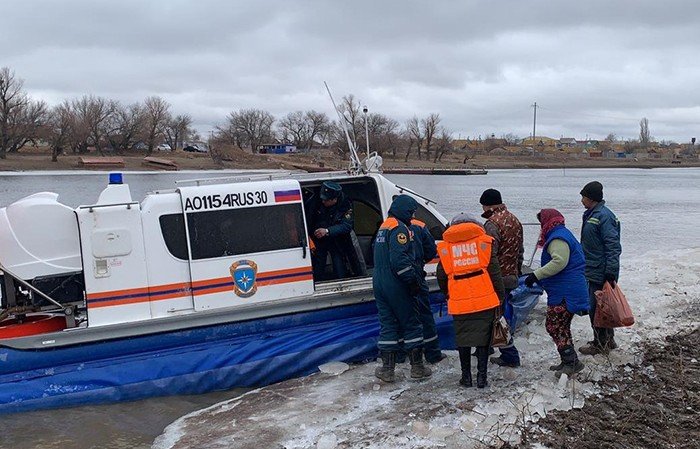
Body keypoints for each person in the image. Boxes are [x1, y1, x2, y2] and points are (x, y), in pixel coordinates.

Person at [436, 213, 505, 388]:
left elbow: (441, 276)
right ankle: (482, 378)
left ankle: (466, 377)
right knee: (483, 339)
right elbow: (495, 274)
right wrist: (500, 296)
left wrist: (448, 293)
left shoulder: (446, 248)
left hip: (459, 300)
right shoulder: (484, 243)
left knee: (463, 339)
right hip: (485, 299)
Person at [373, 195, 431, 382]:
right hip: (396, 282)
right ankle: (418, 368)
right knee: (411, 322)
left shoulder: (383, 227)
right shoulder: (400, 229)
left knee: (388, 323)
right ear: (406, 211)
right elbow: (399, 260)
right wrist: (412, 281)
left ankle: (387, 369)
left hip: (379, 282)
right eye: (412, 213)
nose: (412, 216)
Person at [524, 209, 589, 375]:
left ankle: (571, 362)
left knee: (554, 326)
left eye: (541, 222)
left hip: (565, 292)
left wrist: (535, 275)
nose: (541, 226)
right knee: (562, 326)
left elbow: (559, 262)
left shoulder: (557, 238)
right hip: (569, 289)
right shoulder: (561, 233)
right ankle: (569, 360)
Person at [480, 188, 524, 368]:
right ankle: (489, 346)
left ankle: (510, 355)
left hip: (497, 279)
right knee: (501, 313)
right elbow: (520, 250)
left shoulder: (492, 224)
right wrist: (517, 271)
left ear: (488, 205)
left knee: (497, 317)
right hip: (512, 275)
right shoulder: (515, 220)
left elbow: (489, 255)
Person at [578, 181, 622, 355]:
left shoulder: (604, 216)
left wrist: (610, 271)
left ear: (591, 198)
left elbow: (613, 246)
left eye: (583, 197)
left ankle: (600, 343)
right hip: (592, 267)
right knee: (602, 306)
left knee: (597, 308)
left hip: (601, 270)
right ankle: (607, 339)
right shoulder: (592, 214)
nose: (581, 200)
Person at [310, 181, 365, 281]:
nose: (323, 202)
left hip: (336, 239)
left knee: (338, 264)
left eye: (326, 200)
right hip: (318, 238)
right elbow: (309, 217)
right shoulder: (317, 201)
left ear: (334, 199)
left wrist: (327, 231)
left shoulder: (345, 205)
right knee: (318, 264)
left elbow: (347, 225)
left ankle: (342, 282)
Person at [409, 217, 446, 364]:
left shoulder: (386, 226)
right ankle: (432, 353)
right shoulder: (420, 226)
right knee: (425, 315)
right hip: (416, 275)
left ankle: (402, 356)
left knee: (400, 318)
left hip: (394, 280)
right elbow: (431, 250)